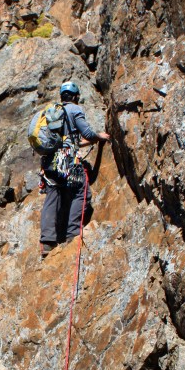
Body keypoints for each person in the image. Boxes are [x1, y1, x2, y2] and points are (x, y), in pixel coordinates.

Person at [39, 81, 110, 258]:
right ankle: (72, 233)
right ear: (76, 96)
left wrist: (89, 141)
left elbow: (70, 141)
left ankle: (47, 242)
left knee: (52, 195)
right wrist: (98, 137)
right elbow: (87, 133)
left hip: (49, 162)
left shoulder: (53, 113)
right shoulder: (74, 110)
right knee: (81, 191)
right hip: (67, 161)